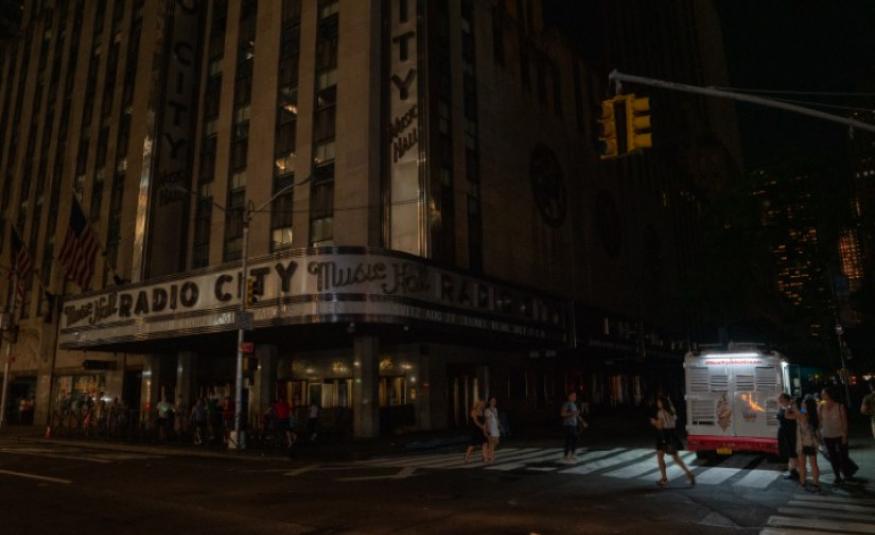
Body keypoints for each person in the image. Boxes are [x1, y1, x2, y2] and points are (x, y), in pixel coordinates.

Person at [651, 395, 695, 488]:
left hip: (664, 436)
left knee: (660, 457)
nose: (657, 403)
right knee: (676, 458)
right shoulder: (672, 411)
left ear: (663, 403)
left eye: (659, 402)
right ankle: (689, 473)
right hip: (672, 435)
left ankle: (664, 478)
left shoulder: (661, 412)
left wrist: (654, 422)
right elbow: (674, 421)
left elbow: (660, 426)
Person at [818, 387, 855, 484]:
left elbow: (844, 422)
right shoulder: (821, 407)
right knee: (832, 456)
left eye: (823, 393)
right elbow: (819, 421)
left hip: (839, 434)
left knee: (843, 456)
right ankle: (837, 476)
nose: (822, 395)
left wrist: (844, 435)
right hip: (827, 434)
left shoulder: (839, 406)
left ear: (829, 394)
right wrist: (819, 433)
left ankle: (847, 474)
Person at [788, 395, 820, 492]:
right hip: (812, 442)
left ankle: (803, 482)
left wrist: (791, 404)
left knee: (802, 465)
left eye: (803, 403)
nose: (801, 404)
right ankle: (816, 483)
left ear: (806, 405)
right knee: (814, 464)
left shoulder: (802, 415)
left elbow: (788, 415)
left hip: (802, 443)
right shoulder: (813, 414)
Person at [777, 393, 799, 480]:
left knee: (792, 451)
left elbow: (800, 414)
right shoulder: (782, 407)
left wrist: (790, 406)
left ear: (785, 399)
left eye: (780, 398)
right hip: (783, 432)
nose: (779, 399)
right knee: (788, 451)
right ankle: (792, 470)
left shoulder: (792, 406)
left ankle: (794, 471)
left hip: (790, 432)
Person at [561, 392, 586, 462]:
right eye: (573, 396)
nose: (575, 397)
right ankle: (567, 455)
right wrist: (573, 413)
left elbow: (577, 415)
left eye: (575, 396)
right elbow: (562, 414)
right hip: (568, 425)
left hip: (573, 425)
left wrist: (583, 422)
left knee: (574, 439)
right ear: (569, 396)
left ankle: (571, 454)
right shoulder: (566, 404)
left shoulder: (574, 404)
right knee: (570, 440)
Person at [483, 397, 501, 463]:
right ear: (489, 402)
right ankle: (491, 457)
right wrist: (488, 428)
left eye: (494, 401)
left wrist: (498, 424)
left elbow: (496, 418)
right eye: (492, 401)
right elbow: (486, 420)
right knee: (491, 443)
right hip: (491, 427)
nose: (494, 402)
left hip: (495, 427)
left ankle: (486, 453)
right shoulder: (487, 410)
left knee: (497, 442)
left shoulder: (496, 409)